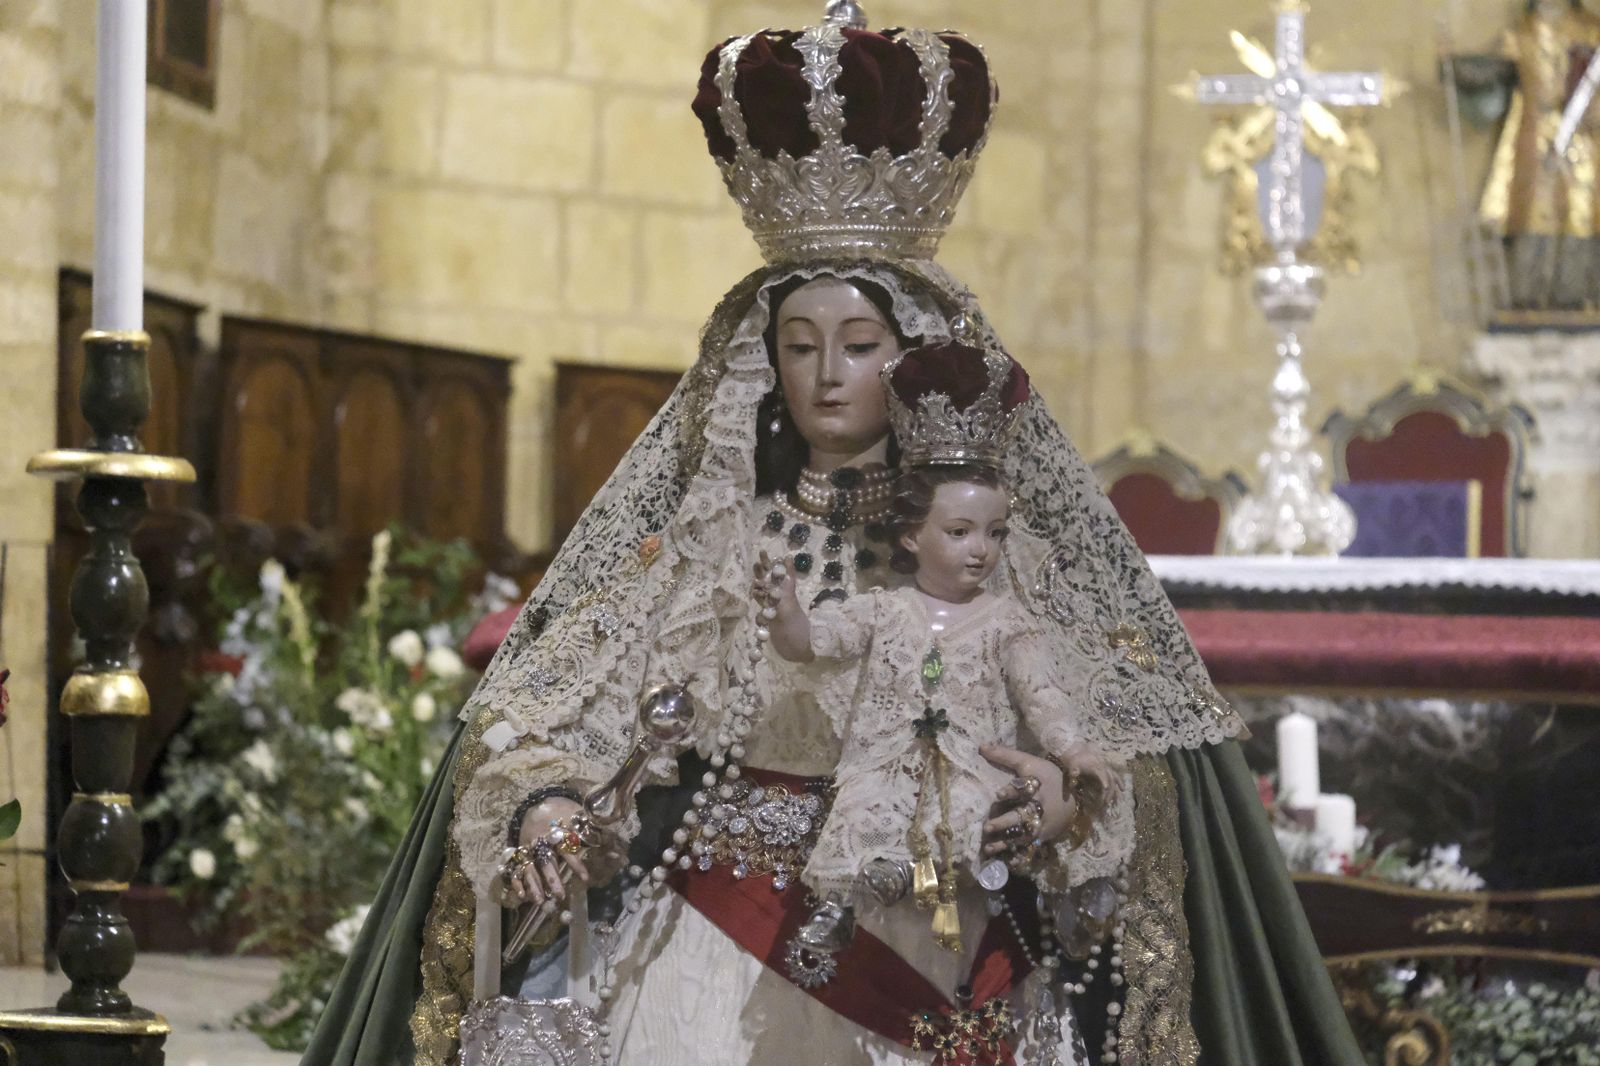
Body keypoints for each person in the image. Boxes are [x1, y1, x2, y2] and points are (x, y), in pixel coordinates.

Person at [302, 6, 1366, 1065]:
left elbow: (1109, 740)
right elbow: (557, 705)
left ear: (909, 351)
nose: (825, 373)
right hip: (715, 934)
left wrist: (1056, 792)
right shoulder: (716, 529)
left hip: (936, 924)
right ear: (763, 363)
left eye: (858, 344)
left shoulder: (982, 544)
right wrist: (544, 809)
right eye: (798, 344)